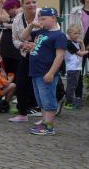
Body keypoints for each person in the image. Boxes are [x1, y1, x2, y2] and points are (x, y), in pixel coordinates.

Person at [19, 7, 66, 136]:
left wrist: (51, 73)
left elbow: (60, 56)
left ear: (53, 18)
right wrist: (31, 26)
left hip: (46, 72)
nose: (40, 21)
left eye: (43, 19)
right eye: (39, 19)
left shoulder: (59, 35)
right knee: (41, 100)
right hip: (35, 71)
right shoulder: (40, 32)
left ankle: (49, 126)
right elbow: (22, 37)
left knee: (48, 99)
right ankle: (44, 121)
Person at [9, 0, 40, 122]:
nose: (31, 5)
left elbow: (53, 33)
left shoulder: (43, 15)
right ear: (22, 5)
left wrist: (36, 45)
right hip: (26, 54)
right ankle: (22, 113)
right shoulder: (17, 19)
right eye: (28, 3)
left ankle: (44, 112)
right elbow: (15, 39)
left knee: (41, 84)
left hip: (42, 56)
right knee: (21, 83)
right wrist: (23, 45)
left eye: (34, 2)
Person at [63, 24, 88, 110]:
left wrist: (82, 43)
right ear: (69, 33)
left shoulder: (75, 42)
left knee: (74, 85)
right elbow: (81, 54)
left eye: (78, 33)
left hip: (77, 67)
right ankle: (68, 103)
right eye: (75, 33)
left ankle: (69, 101)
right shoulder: (69, 43)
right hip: (72, 68)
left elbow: (82, 51)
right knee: (71, 86)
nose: (77, 35)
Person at [0, 0, 22, 78]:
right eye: (7, 9)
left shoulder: (21, 17)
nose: (8, 11)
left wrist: (7, 26)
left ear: (16, 7)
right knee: (7, 74)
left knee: (16, 74)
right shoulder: (8, 18)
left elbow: (20, 28)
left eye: (9, 9)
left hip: (15, 53)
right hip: (5, 52)